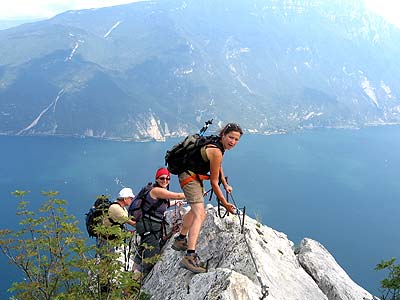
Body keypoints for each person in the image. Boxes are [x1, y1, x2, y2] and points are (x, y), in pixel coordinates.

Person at [171, 123, 243, 273]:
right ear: (223, 134)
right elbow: (213, 183)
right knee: (200, 214)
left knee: (195, 210)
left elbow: (218, 166)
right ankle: (189, 256)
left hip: (191, 175)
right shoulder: (217, 151)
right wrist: (225, 203)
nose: (233, 142)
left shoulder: (217, 144)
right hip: (189, 177)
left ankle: (180, 240)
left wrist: (225, 183)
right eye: (231, 137)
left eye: (236, 140)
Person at [133, 167, 186, 275]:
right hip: (150, 229)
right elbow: (177, 195)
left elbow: (163, 205)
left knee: (140, 256)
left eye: (168, 179)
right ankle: (130, 289)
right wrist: (196, 193)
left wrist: (177, 202)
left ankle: (130, 279)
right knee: (151, 258)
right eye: (162, 178)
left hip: (147, 229)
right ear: (157, 179)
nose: (165, 181)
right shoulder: (156, 190)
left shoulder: (156, 192)